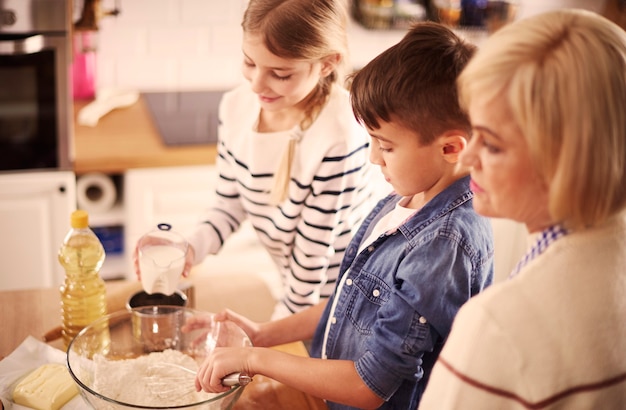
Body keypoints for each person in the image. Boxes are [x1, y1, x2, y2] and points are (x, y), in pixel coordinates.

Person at [188, 22, 494, 409]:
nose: (373, 157)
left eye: (386, 146)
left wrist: (255, 359)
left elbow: (370, 386)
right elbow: (350, 305)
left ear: (451, 148)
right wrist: (263, 334)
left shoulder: (443, 247)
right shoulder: (408, 197)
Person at [420, 9, 626, 409]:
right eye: (473, 130)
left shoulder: (499, 327)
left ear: (569, 161)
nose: (467, 159)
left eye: (493, 145)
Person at [135, 0, 380, 319]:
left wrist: (267, 338)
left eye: (279, 73)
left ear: (326, 64)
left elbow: (311, 264)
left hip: (346, 303)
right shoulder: (236, 107)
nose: (256, 84)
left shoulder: (340, 134)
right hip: (295, 292)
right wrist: (189, 247)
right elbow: (229, 205)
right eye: (249, 63)